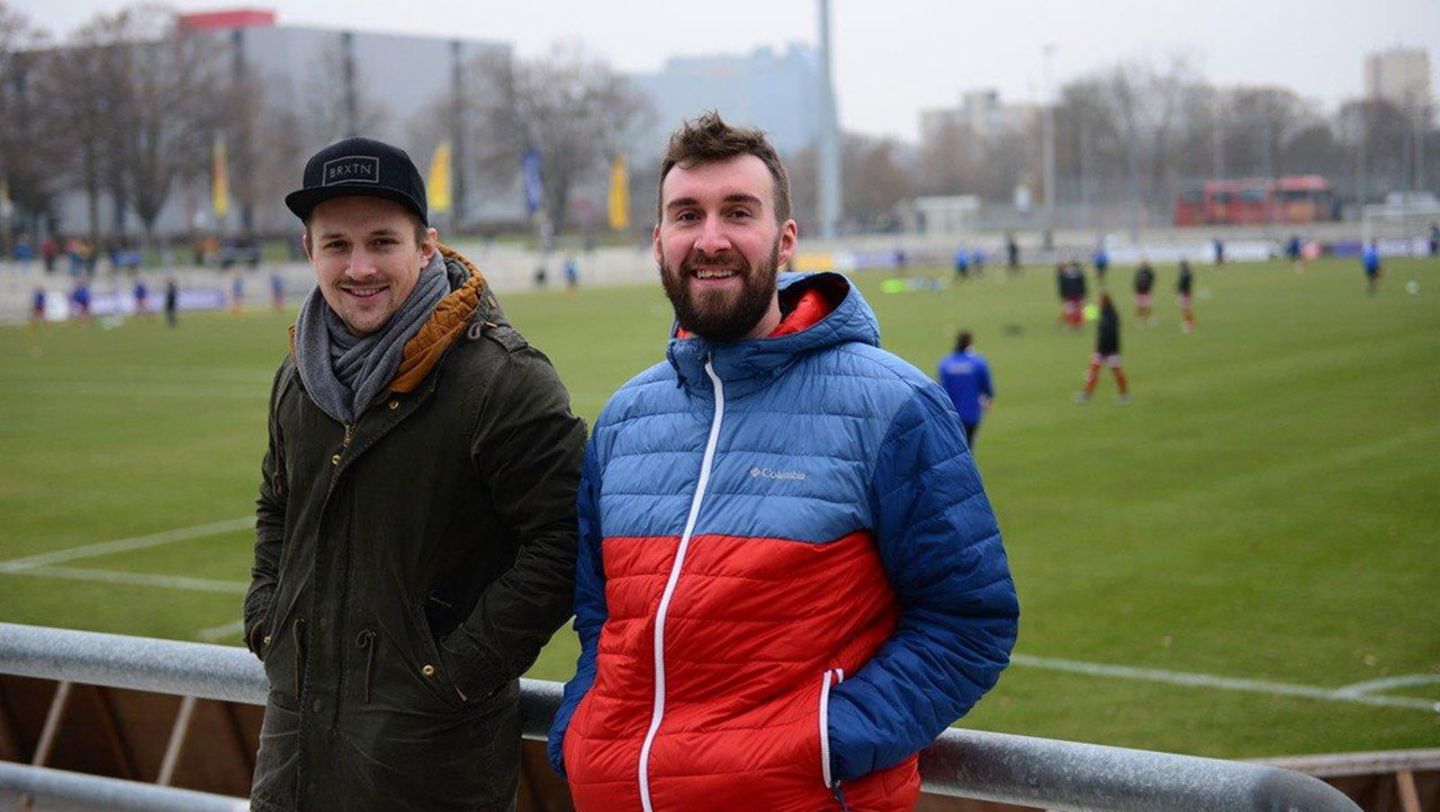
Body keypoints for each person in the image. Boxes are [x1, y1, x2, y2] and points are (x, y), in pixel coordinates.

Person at [547, 112, 1018, 812]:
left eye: (738, 212)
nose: (711, 239)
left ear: (786, 240)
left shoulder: (893, 405)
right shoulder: (625, 419)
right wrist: (584, 729)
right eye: (687, 215)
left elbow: (969, 620)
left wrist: (823, 745)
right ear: (658, 242)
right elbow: (600, 614)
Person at [244, 136, 585, 812]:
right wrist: (267, 620)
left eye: (382, 242)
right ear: (309, 252)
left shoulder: (502, 379)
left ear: (426, 246)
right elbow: (276, 505)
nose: (359, 266)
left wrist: (455, 673)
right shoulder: (298, 375)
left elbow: (566, 537)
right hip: (295, 756)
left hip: (432, 764)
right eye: (337, 245)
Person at [938, 330, 994, 447]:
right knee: (968, 447)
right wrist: (988, 400)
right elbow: (987, 388)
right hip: (971, 413)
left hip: (950, 413)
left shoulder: (945, 363)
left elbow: (941, 388)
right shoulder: (978, 363)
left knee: (952, 448)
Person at [1077, 293, 1129, 403]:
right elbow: (1089, 314)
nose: (1097, 302)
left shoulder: (1110, 316)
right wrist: (1083, 310)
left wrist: (1101, 348)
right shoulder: (1104, 313)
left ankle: (1124, 394)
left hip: (1109, 349)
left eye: (1099, 300)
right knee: (1093, 372)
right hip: (1101, 349)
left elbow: (1108, 334)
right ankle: (1087, 394)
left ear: (1105, 301)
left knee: (1117, 372)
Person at [1057, 259, 1087, 329]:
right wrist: (1084, 293)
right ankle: (1078, 323)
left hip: (1070, 294)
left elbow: (1064, 285)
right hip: (1078, 293)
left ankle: (1072, 323)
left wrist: (1063, 295)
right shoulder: (1079, 273)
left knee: (1071, 309)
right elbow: (1083, 284)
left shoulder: (1066, 274)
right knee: (1078, 309)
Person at [1133, 259, 1156, 325]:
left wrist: (1150, 288)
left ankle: (1150, 318)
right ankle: (1139, 319)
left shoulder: (1149, 272)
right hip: (1140, 292)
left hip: (1146, 291)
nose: (1143, 266)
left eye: (1144, 265)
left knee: (1147, 306)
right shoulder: (1138, 272)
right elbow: (1136, 282)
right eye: (1142, 265)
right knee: (1139, 306)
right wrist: (1135, 292)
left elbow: (1152, 278)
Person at [1177, 260, 1196, 332]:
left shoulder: (1186, 274)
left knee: (1187, 308)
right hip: (1183, 293)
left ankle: (1190, 323)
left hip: (1186, 293)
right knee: (1184, 309)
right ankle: (1186, 321)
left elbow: (1184, 283)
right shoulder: (1183, 273)